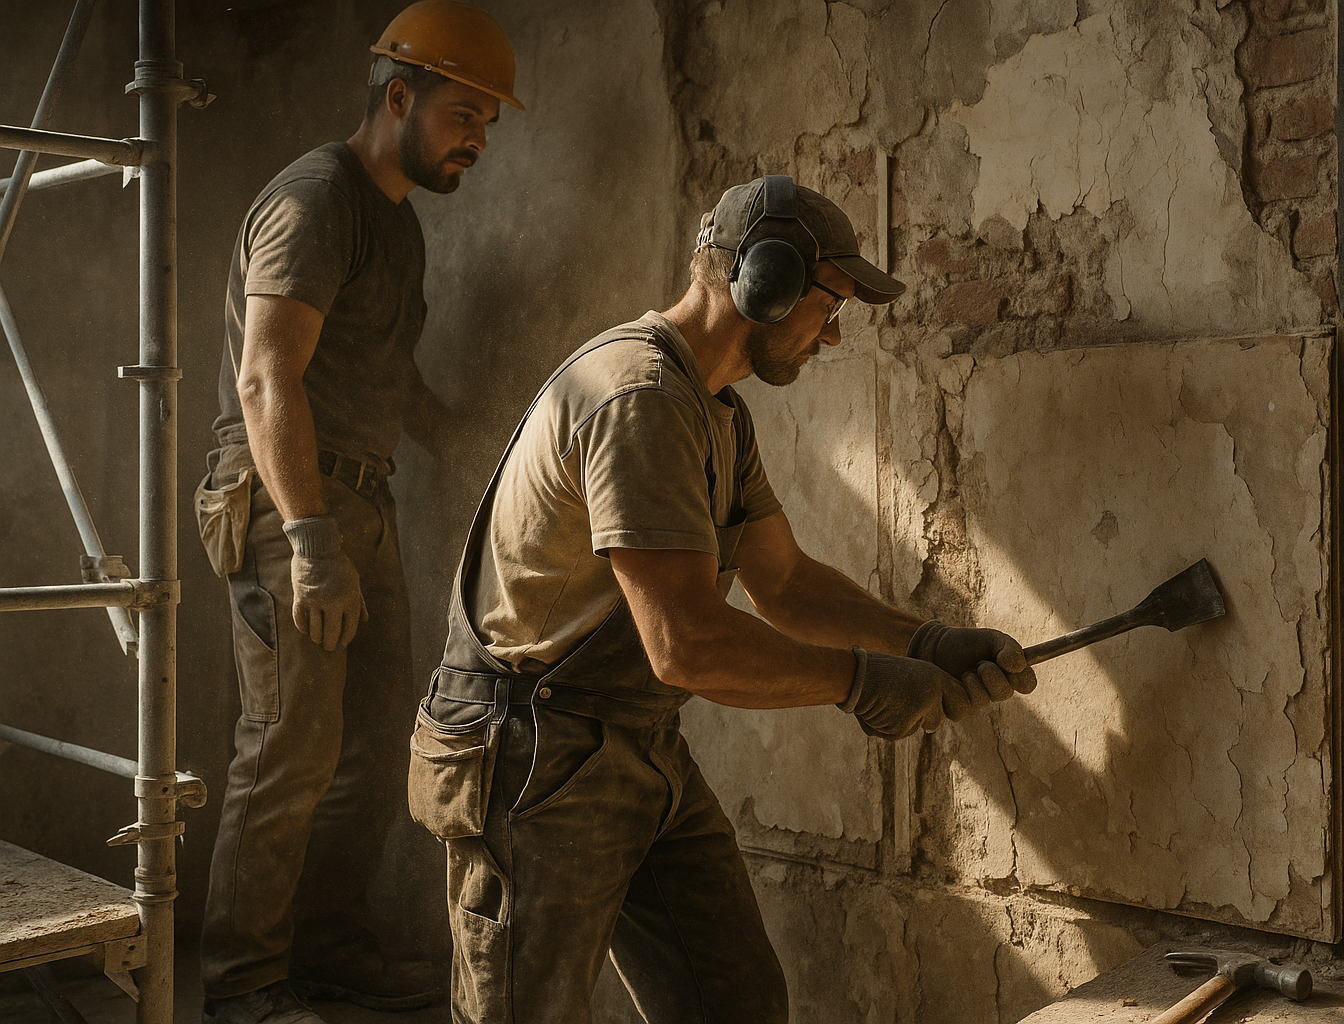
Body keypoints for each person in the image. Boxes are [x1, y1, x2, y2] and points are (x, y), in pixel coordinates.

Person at [410, 174, 1037, 1023]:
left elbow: (786, 582)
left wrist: (921, 642)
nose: (836, 335)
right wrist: (860, 683)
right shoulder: (639, 400)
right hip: (535, 751)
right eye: (831, 304)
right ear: (768, 283)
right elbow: (689, 645)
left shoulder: (717, 412)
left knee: (731, 999)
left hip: (633, 738)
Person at [192, 4, 523, 1022]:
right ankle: (241, 987)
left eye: (489, 124)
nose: (478, 139)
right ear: (398, 98)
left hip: (359, 497)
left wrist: (471, 439)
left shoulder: (396, 221)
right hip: (289, 504)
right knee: (287, 745)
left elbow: (383, 375)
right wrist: (308, 540)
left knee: (378, 742)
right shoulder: (317, 197)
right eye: (466, 114)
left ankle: (326, 947)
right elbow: (265, 380)